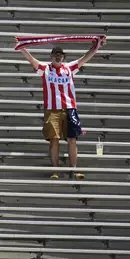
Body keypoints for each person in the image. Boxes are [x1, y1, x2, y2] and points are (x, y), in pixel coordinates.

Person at [18, 38, 105, 179]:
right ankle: (55, 170)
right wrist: (21, 47)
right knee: (54, 139)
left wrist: (97, 47)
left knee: (72, 139)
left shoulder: (69, 68)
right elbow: (31, 60)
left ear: (63, 56)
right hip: (52, 109)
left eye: (60, 54)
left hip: (70, 108)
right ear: (51, 56)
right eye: (55, 54)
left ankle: (74, 170)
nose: (58, 56)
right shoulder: (45, 69)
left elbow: (85, 58)